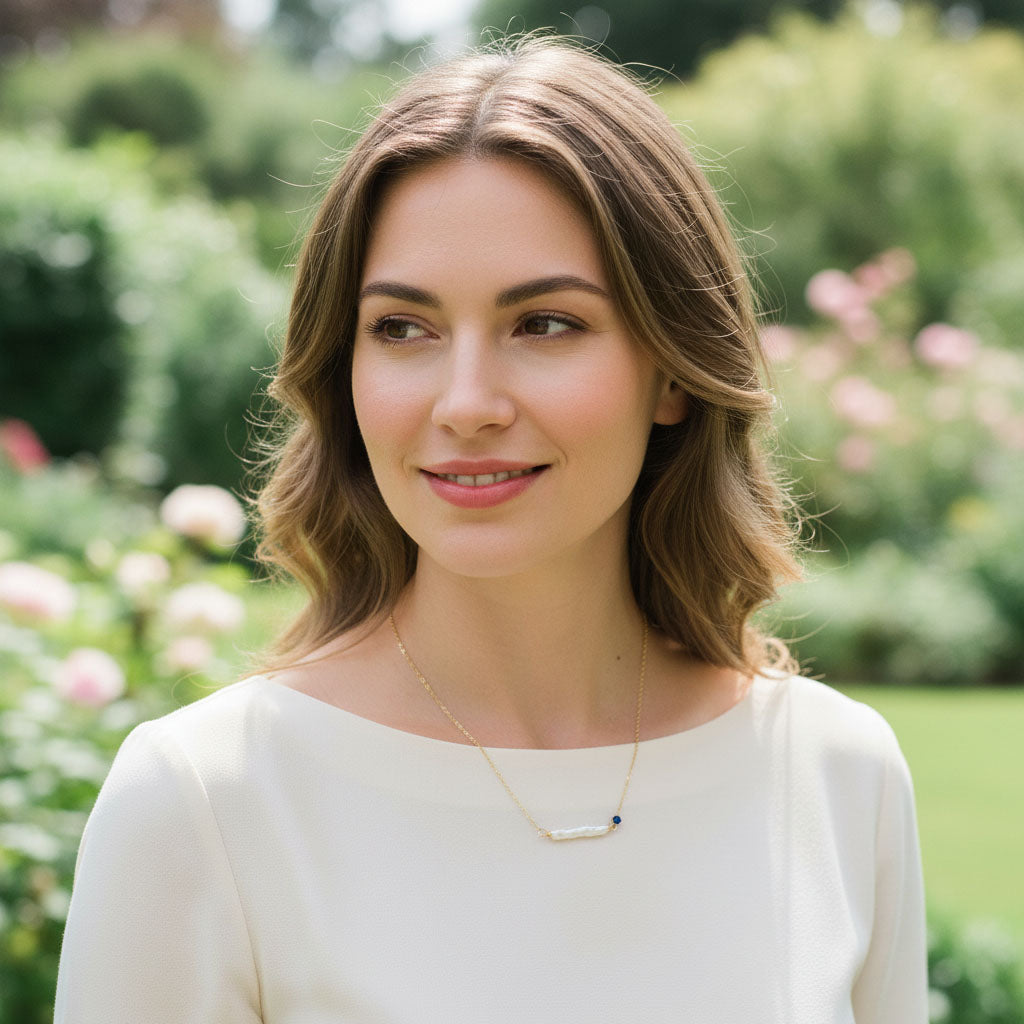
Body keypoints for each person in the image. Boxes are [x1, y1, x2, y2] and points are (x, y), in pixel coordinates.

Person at [54, 36, 927, 1023]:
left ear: (674, 370)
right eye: (402, 328)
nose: (465, 402)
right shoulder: (205, 802)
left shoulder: (836, 776)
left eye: (545, 323)